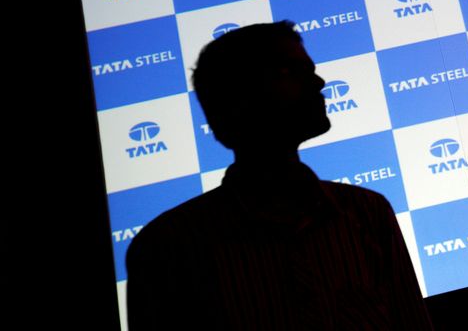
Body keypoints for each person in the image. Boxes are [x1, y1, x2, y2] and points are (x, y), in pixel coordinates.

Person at [126, 21, 433, 330]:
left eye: (309, 70)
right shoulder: (166, 249)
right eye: (288, 72)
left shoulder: (369, 214)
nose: (319, 82)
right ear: (235, 102)